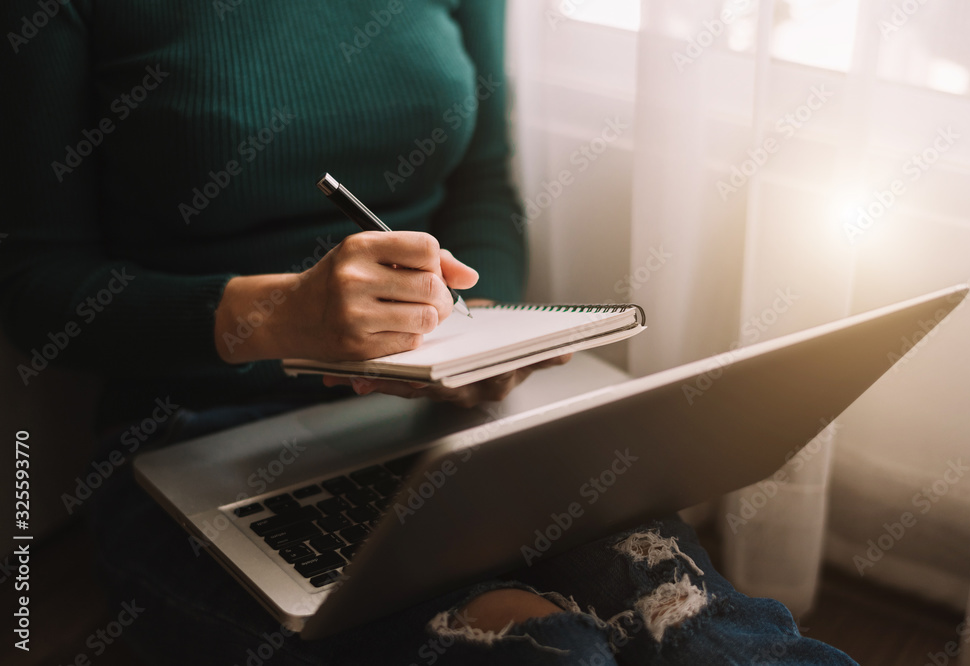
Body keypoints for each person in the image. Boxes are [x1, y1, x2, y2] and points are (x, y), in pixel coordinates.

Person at [0, 1, 857, 663]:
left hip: (452, 419)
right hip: (195, 452)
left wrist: (478, 340)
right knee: (541, 653)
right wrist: (275, 315)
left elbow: (483, 184)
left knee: (707, 634)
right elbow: (35, 287)